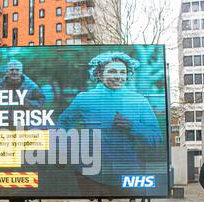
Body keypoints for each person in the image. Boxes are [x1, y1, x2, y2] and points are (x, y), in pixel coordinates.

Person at [57, 51, 162, 188]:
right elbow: (61, 125)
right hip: (90, 172)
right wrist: (61, 152)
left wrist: (133, 126)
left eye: (122, 72)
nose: (118, 76)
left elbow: (156, 138)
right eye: (112, 71)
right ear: (99, 74)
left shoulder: (139, 101)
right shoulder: (84, 98)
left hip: (128, 172)